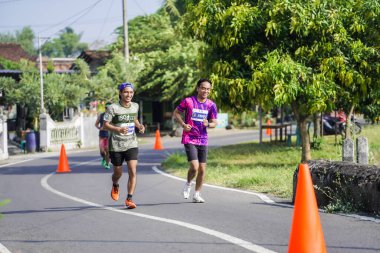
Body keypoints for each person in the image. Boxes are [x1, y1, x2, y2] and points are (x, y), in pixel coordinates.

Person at [173, 78, 218, 203]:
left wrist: (208, 124)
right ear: (198, 88)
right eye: (203, 88)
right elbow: (176, 112)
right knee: (194, 166)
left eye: (208, 89)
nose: (205, 91)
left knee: (202, 169)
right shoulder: (188, 101)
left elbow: (215, 123)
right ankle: (188, 183)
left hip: (203, 139)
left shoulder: (211, 105)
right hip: (189, 137)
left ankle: (197, 194)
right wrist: (183, 124)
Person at [103, 82, 145, 209]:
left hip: (131, 143)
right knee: (118, 173)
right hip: (116, 144)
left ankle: (129, 199)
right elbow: (105, 124)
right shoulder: (113, 108)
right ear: (120, 93)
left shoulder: (135, 106)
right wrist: (118, 130)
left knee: (133, 170)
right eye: (126, 92)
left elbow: (134, 119)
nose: (129, 95)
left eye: (131, 92)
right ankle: (115, 184)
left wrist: (140, 126)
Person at [95, 102, 112, 170]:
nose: (107, 109)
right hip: (102, 135)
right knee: (102, 151)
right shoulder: (101, 115)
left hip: (109, 135)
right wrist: (99, 128)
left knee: (107, 150)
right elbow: (96, 124)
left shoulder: (113, 116)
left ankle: (107, 164)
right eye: (106, 108)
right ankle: (104, 159)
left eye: (109, 108)